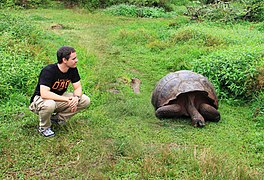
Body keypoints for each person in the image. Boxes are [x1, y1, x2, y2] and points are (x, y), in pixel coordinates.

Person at [29, 46, 90, 137]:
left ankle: (57, 119)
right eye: (73, 59)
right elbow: (44, 94)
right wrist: (67, 100)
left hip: (58, 98)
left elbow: (78, 87)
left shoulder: (72, 69)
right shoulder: (48, 70)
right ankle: (44, 128)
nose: (76, 60)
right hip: (40, 100)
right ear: (64, 60)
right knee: (50, 104)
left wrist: (76, 98)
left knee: (85, 100)